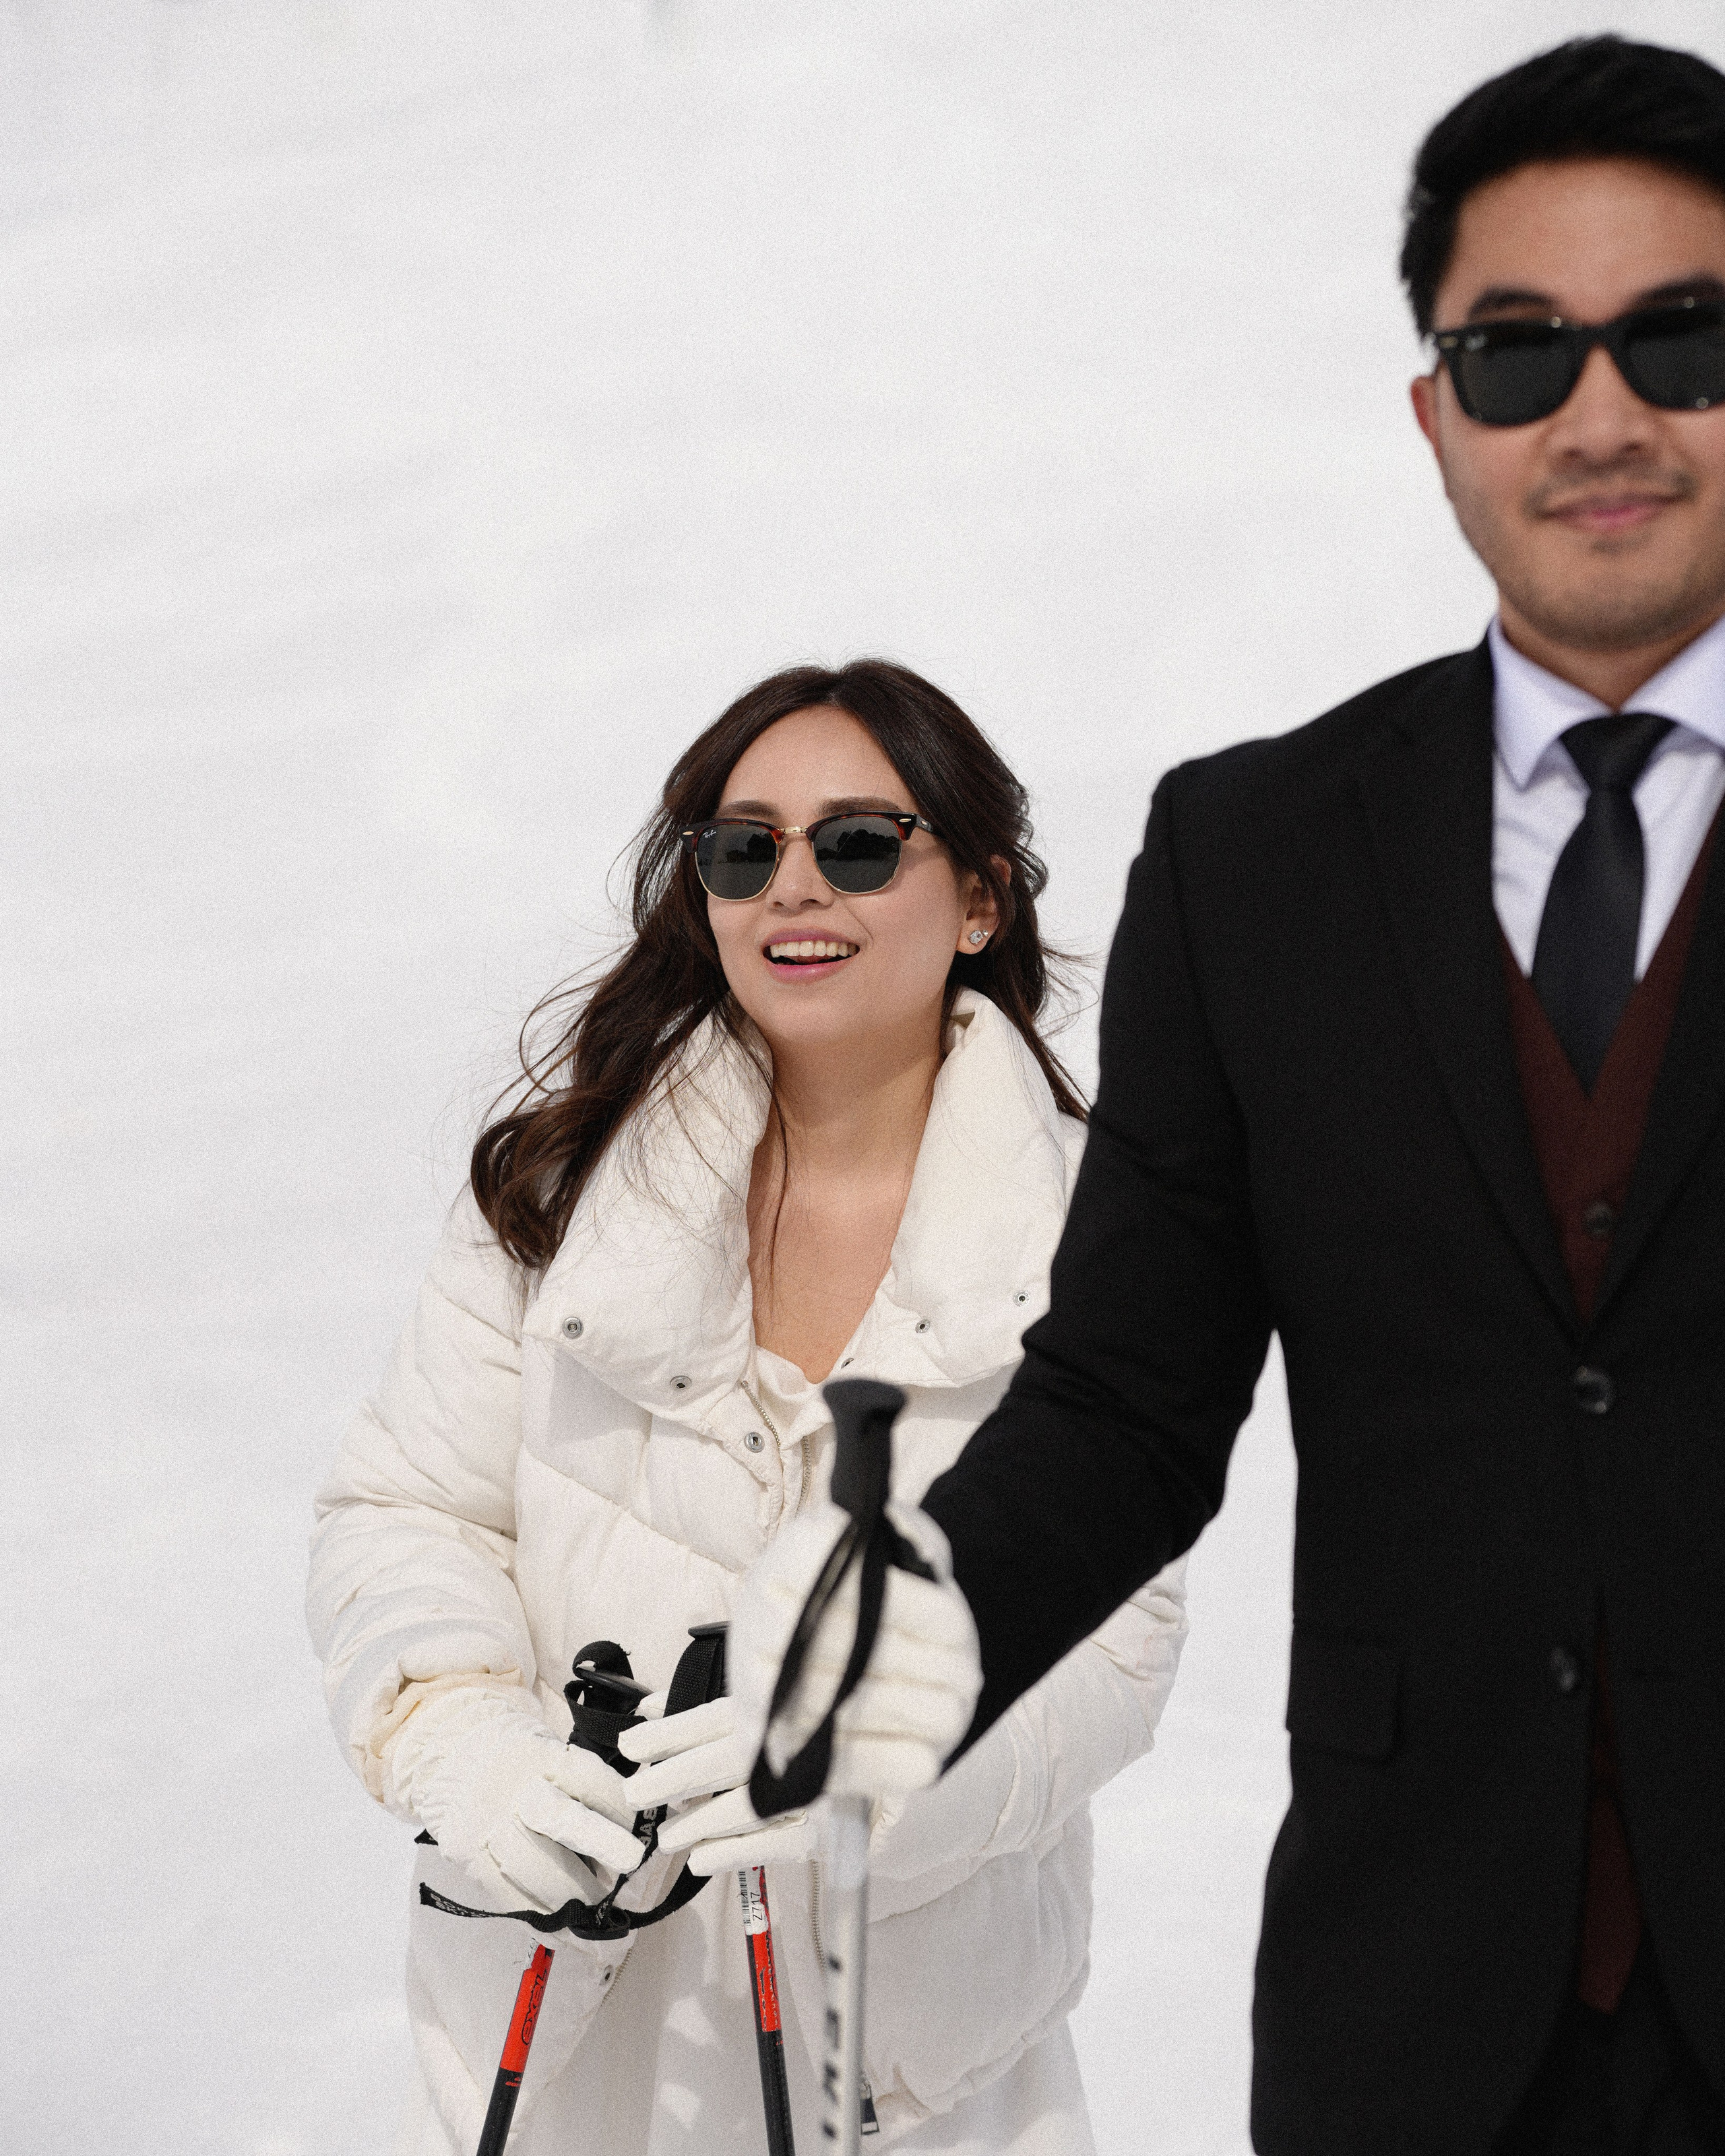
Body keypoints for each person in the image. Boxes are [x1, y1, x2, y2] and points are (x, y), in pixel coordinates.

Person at [732, 36, 1725, 2156]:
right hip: (1423, 2010)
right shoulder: (1257, 858)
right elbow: (1128, 1405)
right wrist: (888, 1644)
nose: (1607, 414)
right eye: (1522, 352)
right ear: (1435, 415)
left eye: (1684, 338)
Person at [306, 659, 1189, 2155]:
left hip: (915, 2080)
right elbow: (409, 1509)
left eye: (857, 842)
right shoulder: (558, 1190)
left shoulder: (1099, 1238)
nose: (794, 885)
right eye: (742, 847)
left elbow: (1115, 1636)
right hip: (569, 2042)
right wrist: (463, 1745)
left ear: (978, 898)